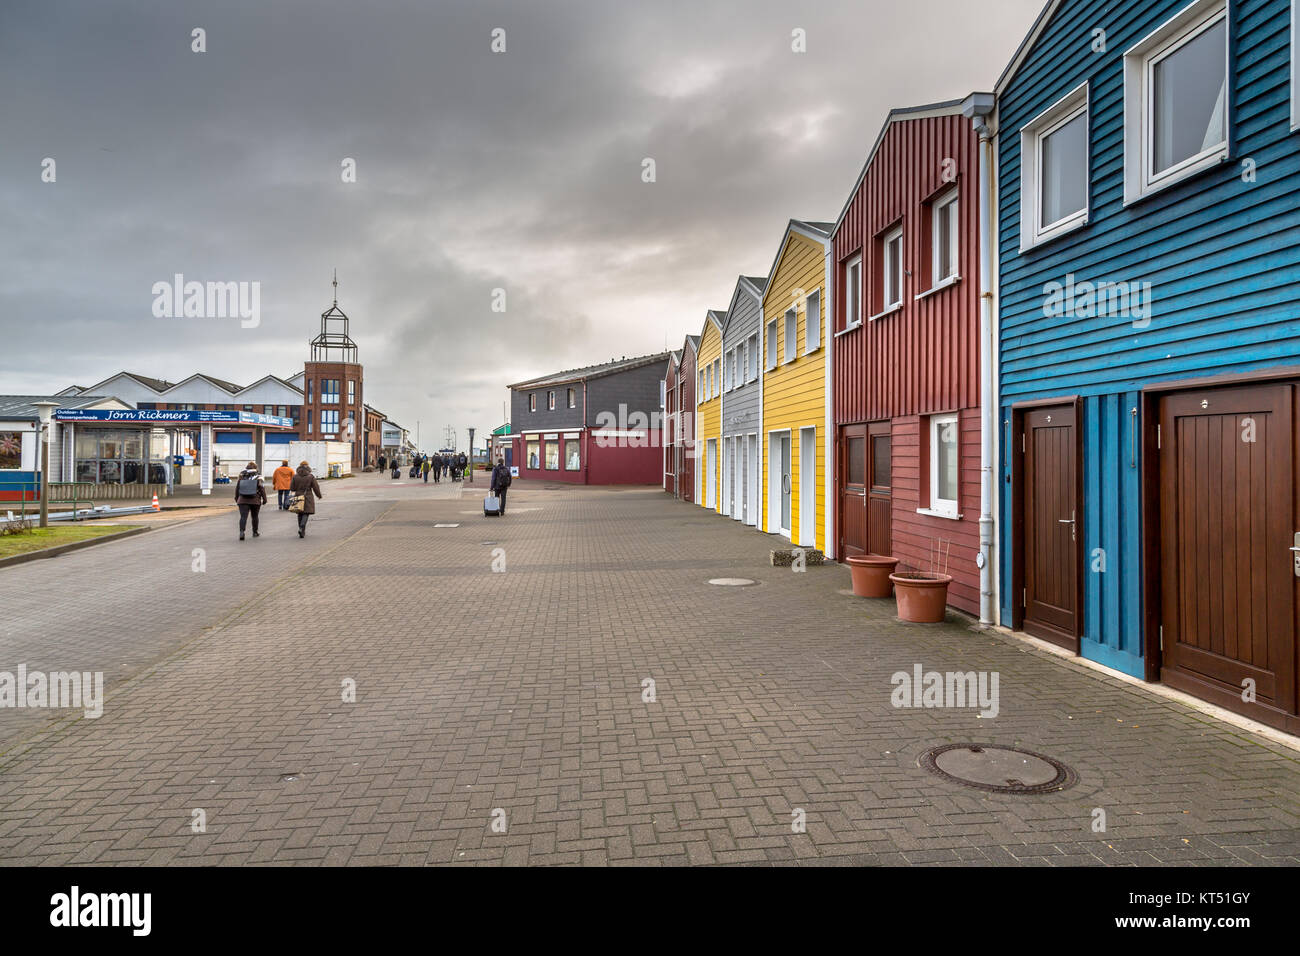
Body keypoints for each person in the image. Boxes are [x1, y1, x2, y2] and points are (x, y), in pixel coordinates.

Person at [289, 460, 322, 538]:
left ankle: (301, 529)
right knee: (306, 512)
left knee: (299, 512)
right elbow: (316, 487)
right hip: (308, 496)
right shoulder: (310, 476)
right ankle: (302, 527)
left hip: (298, 495)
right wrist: (319, 495)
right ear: (308, 466)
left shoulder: (295, 476)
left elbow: (292, 488)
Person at [234, 461, 267, 540]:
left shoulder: (242, 476)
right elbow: (262, 489)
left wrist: (237, 498)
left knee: (243, 517)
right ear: (255, 468)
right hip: (255, 500)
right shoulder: (258, 477)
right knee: (255, 516)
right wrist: (264, 499)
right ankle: (255, 532)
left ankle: (242, 532)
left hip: (242, 500)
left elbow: (237, 488)